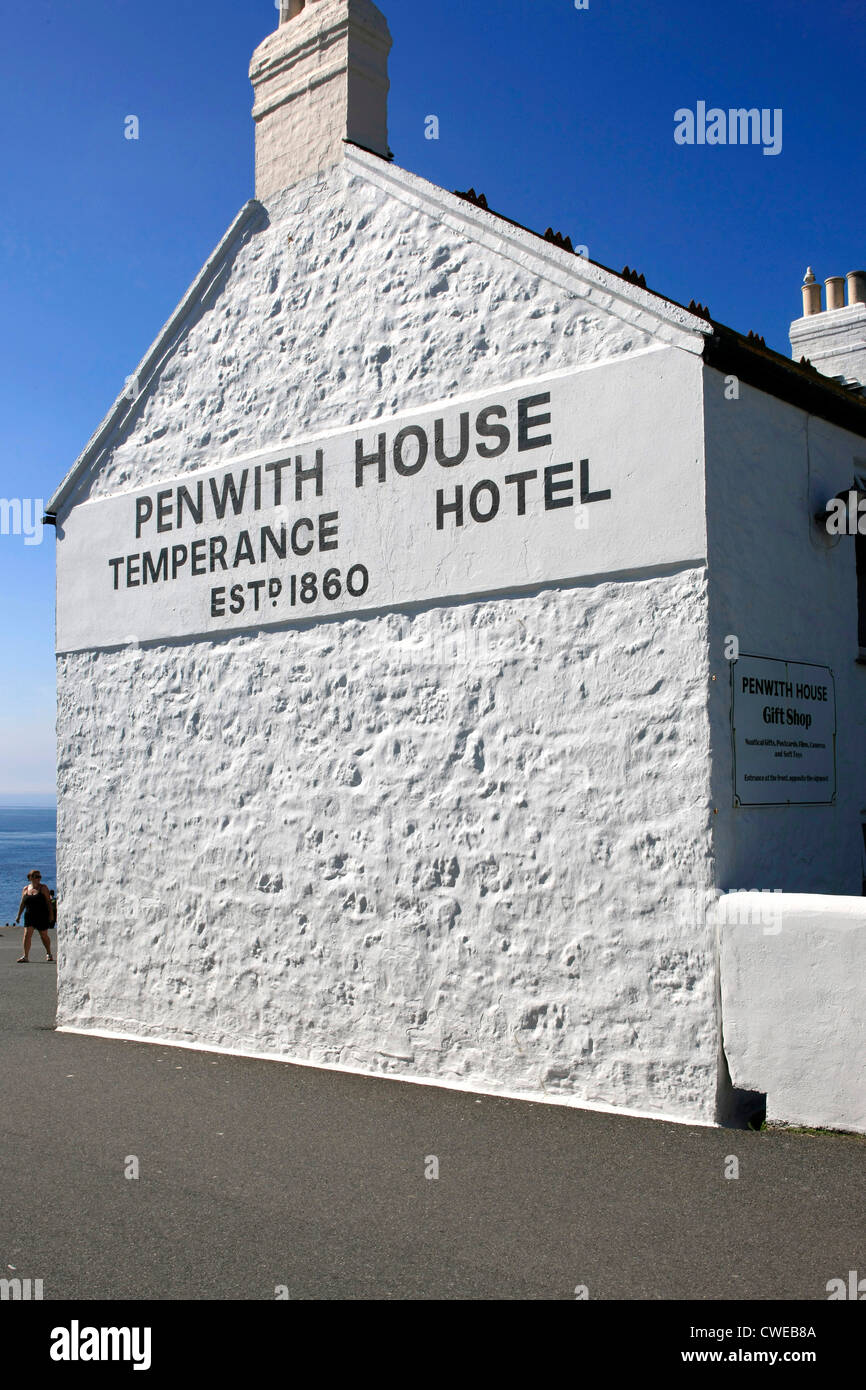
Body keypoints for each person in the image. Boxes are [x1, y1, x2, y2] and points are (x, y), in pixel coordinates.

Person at [15, 870, 55, 963]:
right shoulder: (25, 889)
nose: (38, 878)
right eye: (36, 876)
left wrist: (51, 915)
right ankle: (25, 956)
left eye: (39, 877)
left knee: (44, 935)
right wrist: (18, 916)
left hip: (42, 915)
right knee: (27, 934)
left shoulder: (43, 888)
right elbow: (22, 903)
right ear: (30, 878)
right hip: (29, 915)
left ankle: (49, 953)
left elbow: (49, 903)